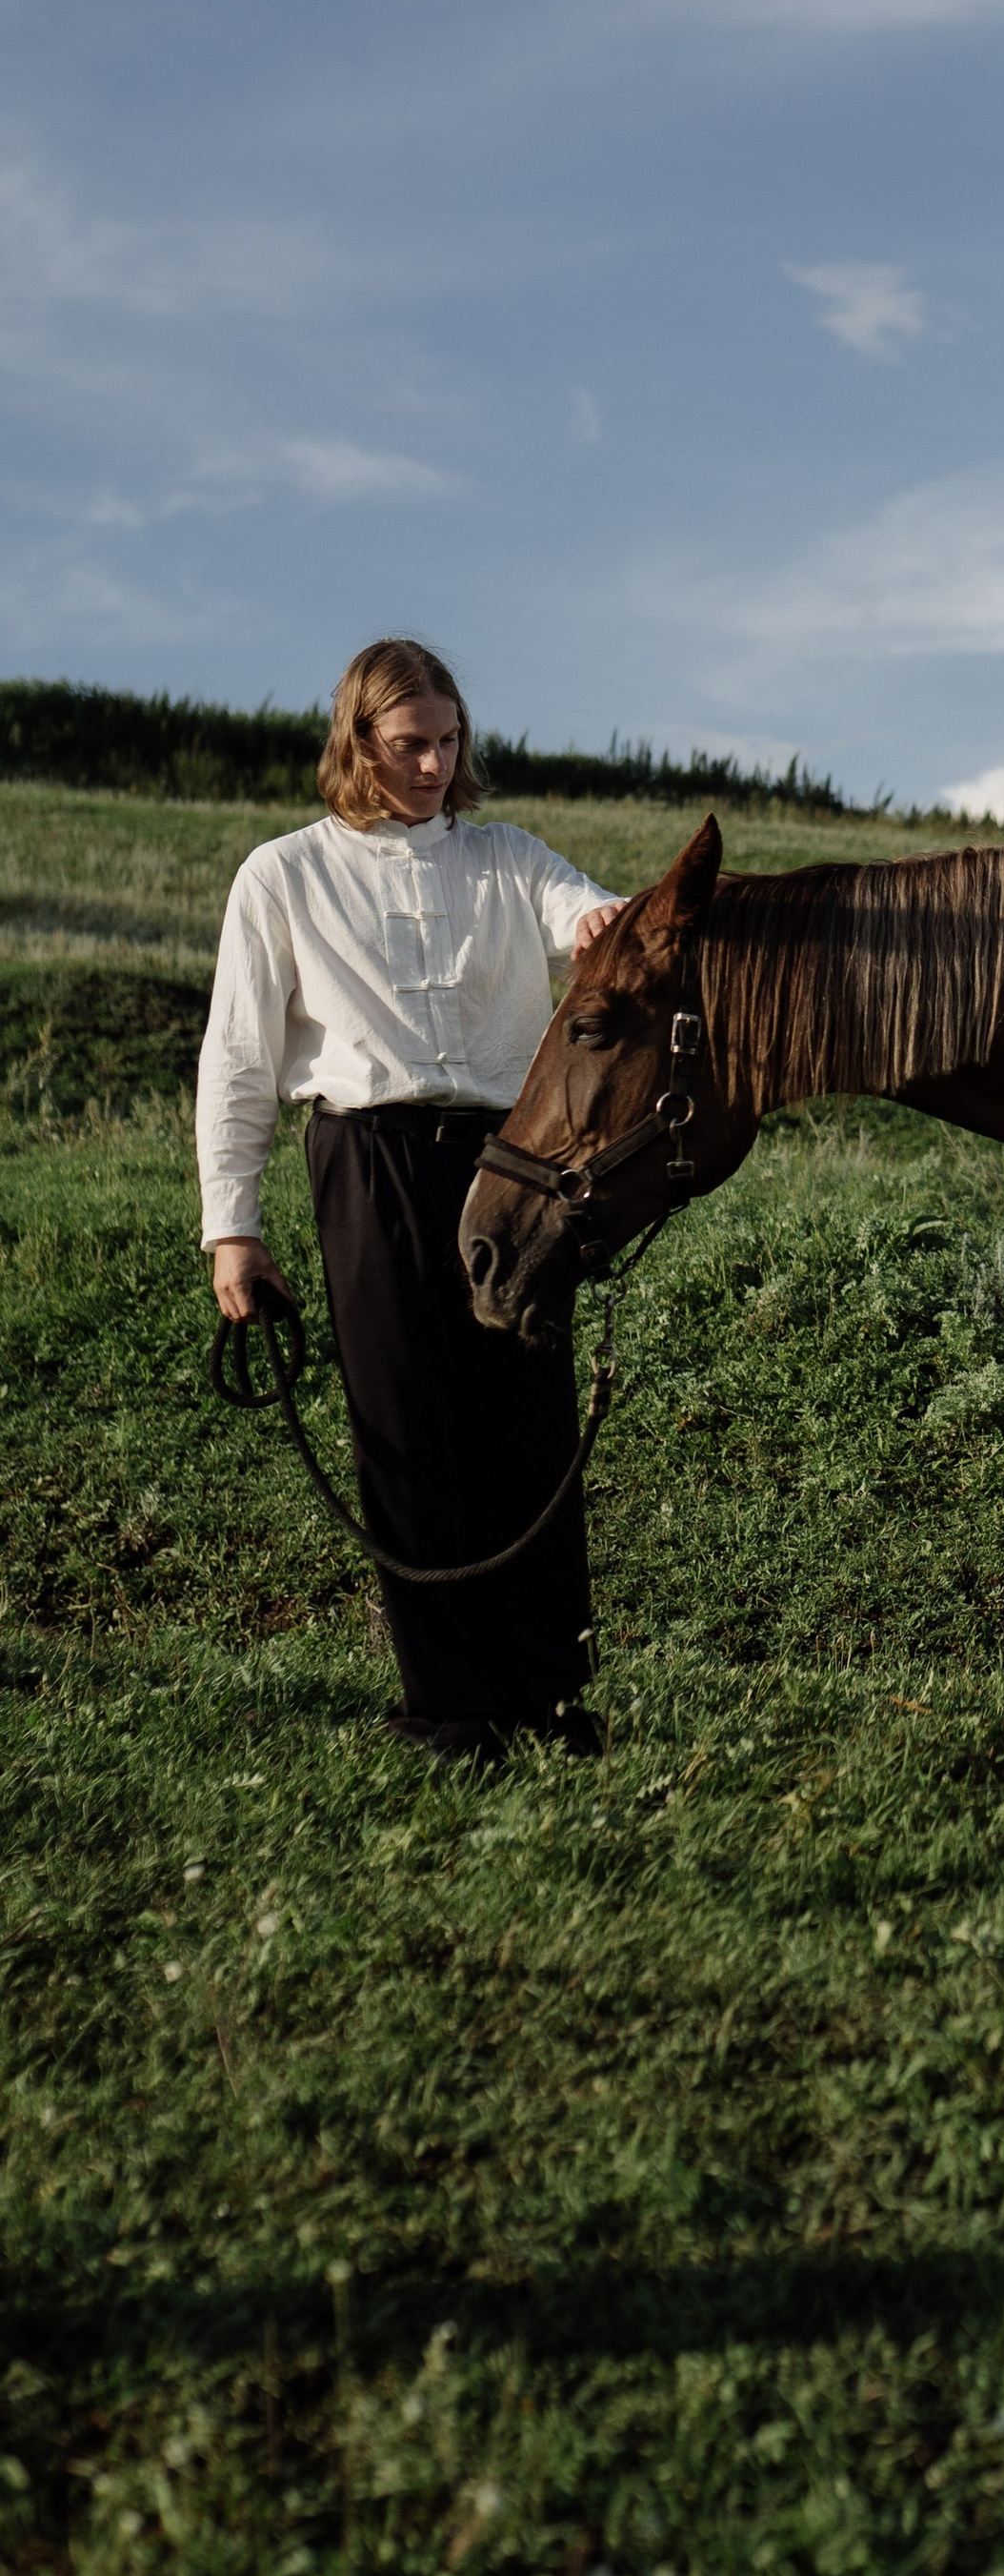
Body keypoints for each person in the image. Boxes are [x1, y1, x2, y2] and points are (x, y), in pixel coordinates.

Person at [198, 638, 626, 1765]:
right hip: (367, 1160)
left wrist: (607, 926)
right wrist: (232, 1228)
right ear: (358, 741)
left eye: (447, 740)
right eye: (408, 744)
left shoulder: (508, 858)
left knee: (529, 1426)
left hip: (509, 1162)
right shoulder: (282, 875)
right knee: (404, 1428)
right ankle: (449, 1707)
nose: (432, 764)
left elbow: (591, 917)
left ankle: (549, 1696)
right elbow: (237, 1062)